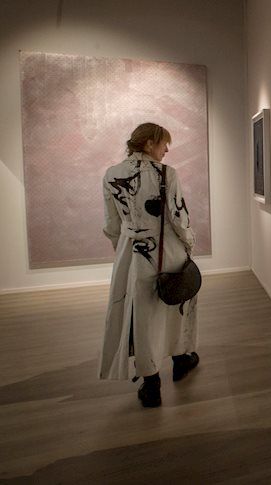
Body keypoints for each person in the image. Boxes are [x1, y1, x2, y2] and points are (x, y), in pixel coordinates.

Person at [99, 122, 199, 408]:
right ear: (148, 144)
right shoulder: (167, 174)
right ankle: (181, 359)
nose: (166, 150)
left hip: (131, 255)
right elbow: (179, 218)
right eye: (163, 143)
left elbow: (111, 224)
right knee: (176, 304)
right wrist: (189, 244)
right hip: (167, 251)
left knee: (142, 316)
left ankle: (151, 383)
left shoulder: (111, 175)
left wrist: (123, 249)